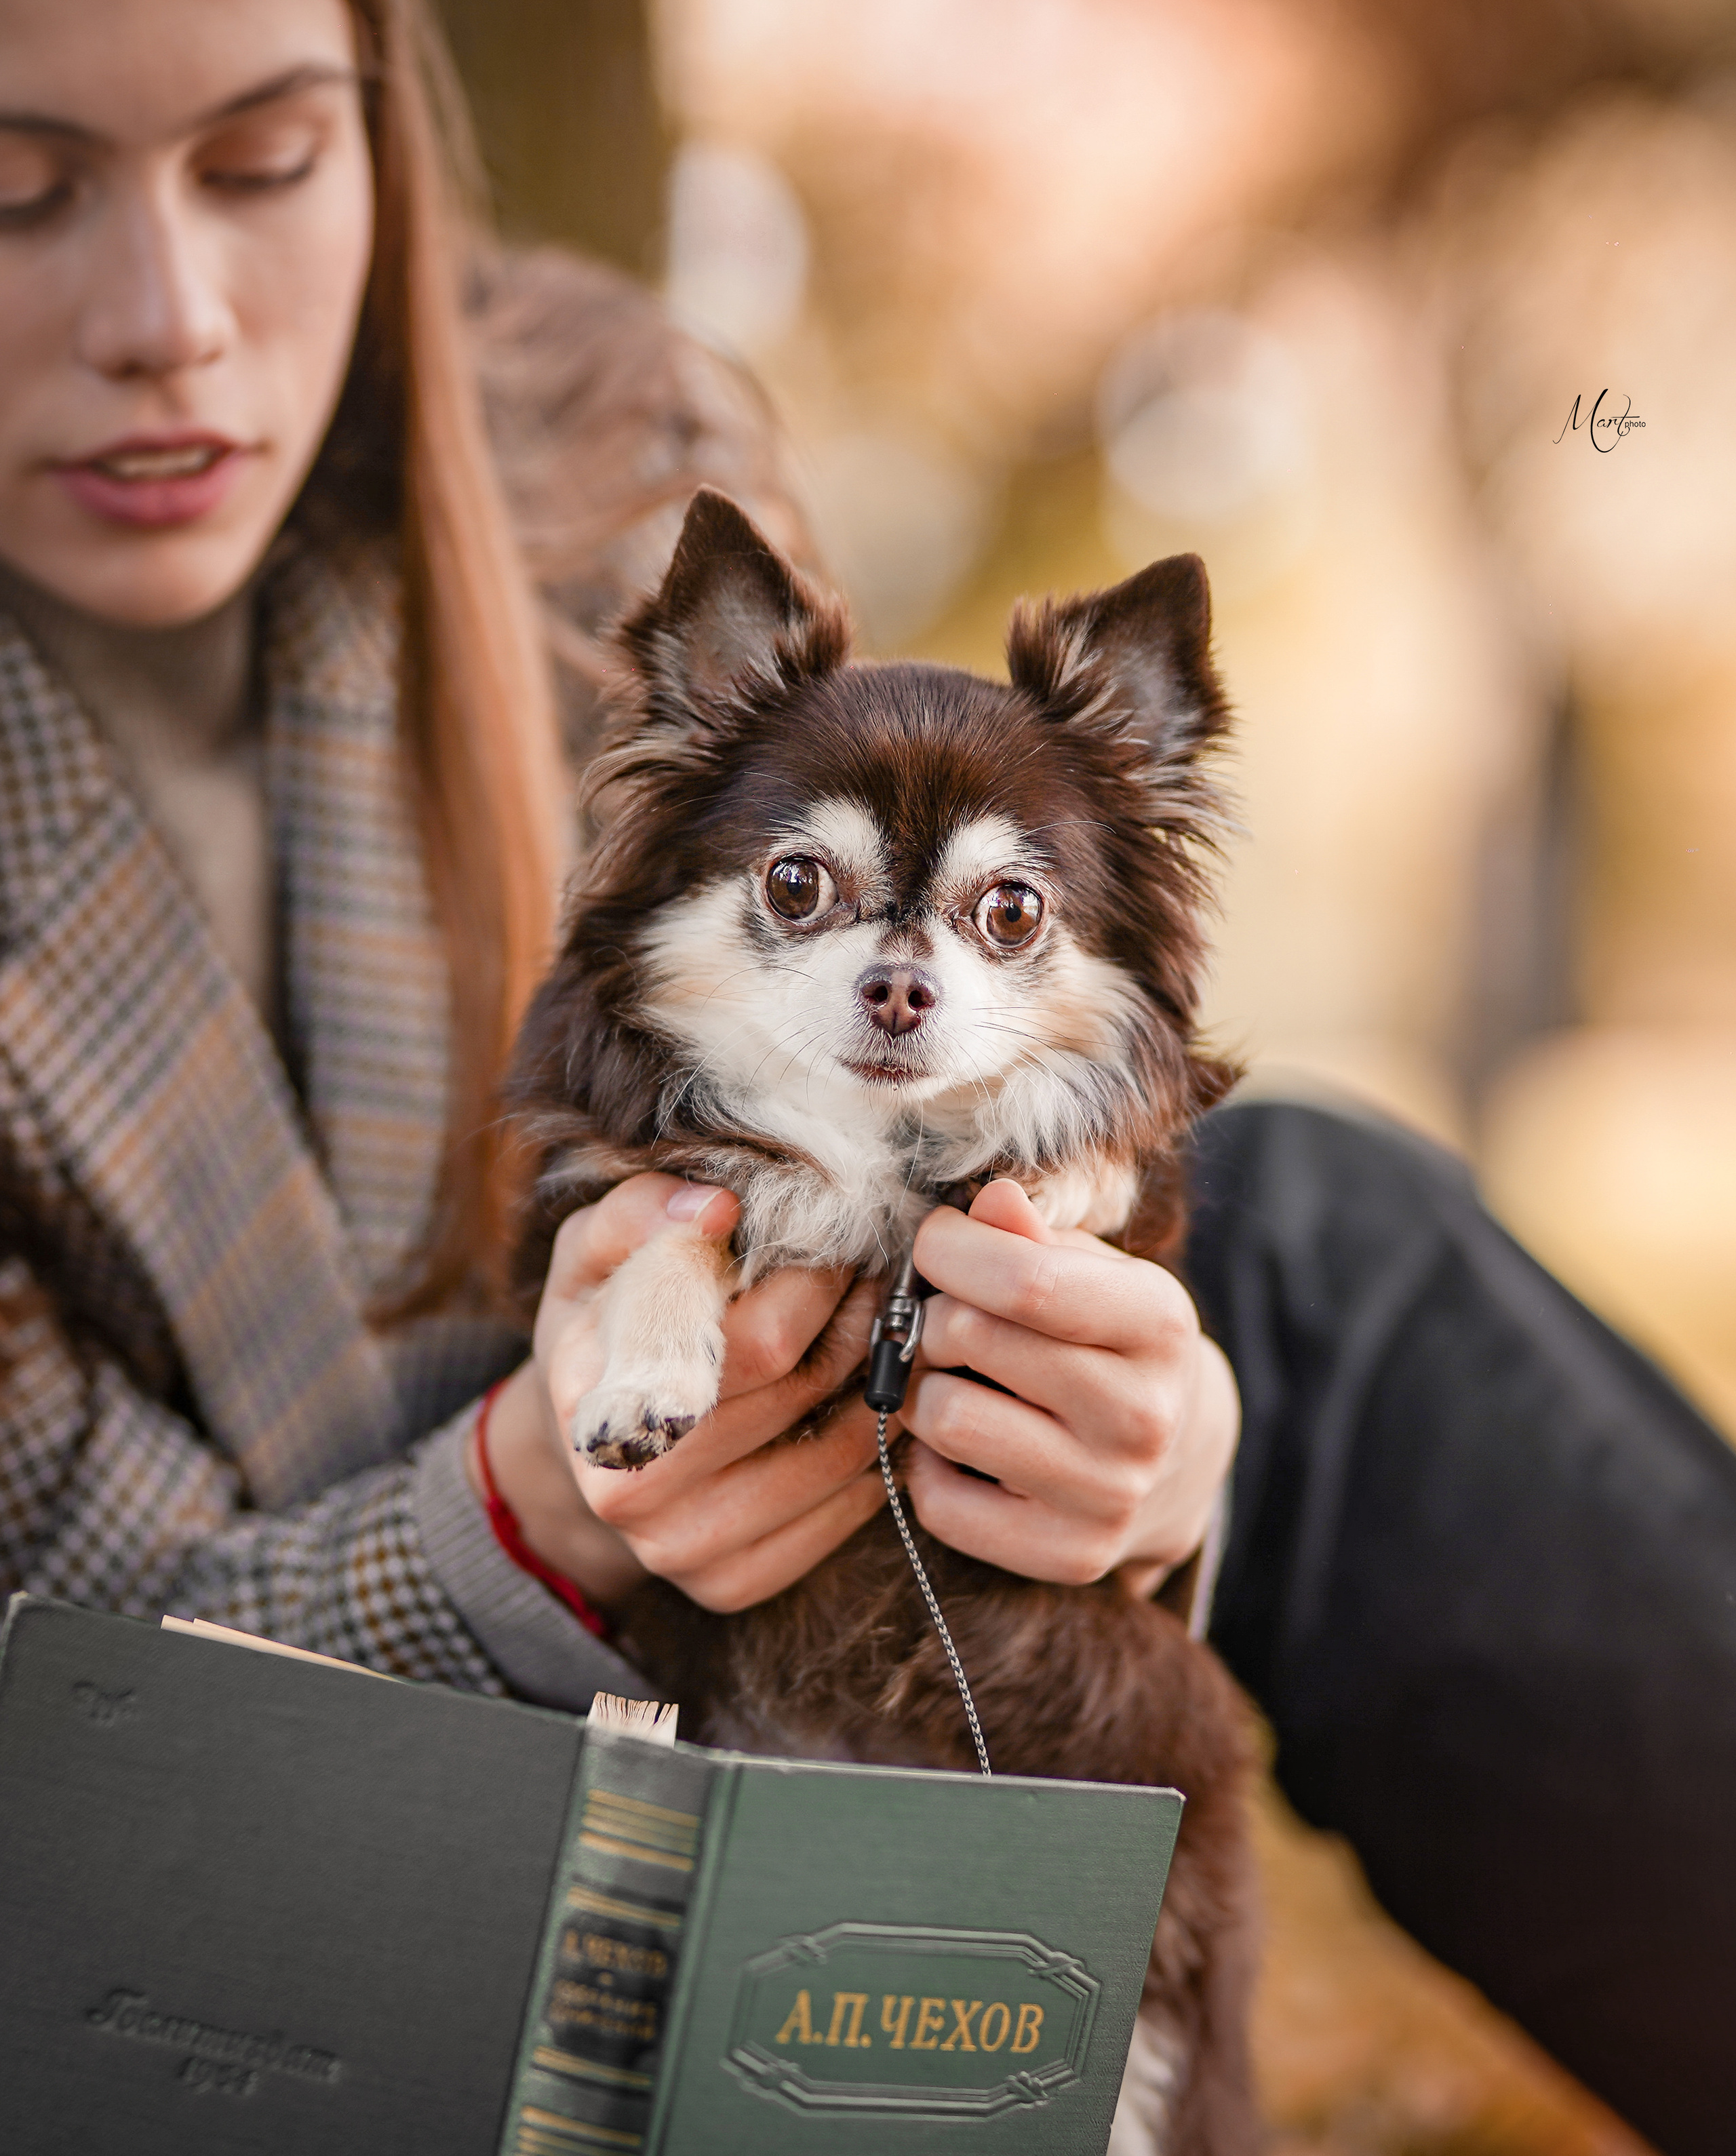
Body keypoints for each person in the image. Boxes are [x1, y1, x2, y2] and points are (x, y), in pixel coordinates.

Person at [0, 4, 1729, 2153]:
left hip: (857, 1481)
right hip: (294, 1791)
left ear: (390, 149)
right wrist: (521, 1519)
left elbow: (967, 933)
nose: (166, 318)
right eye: (20, 189)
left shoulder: (584, 434)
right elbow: (47, 1675)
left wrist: (1160, 1460)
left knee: (1311, 1240)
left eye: (261, 164)